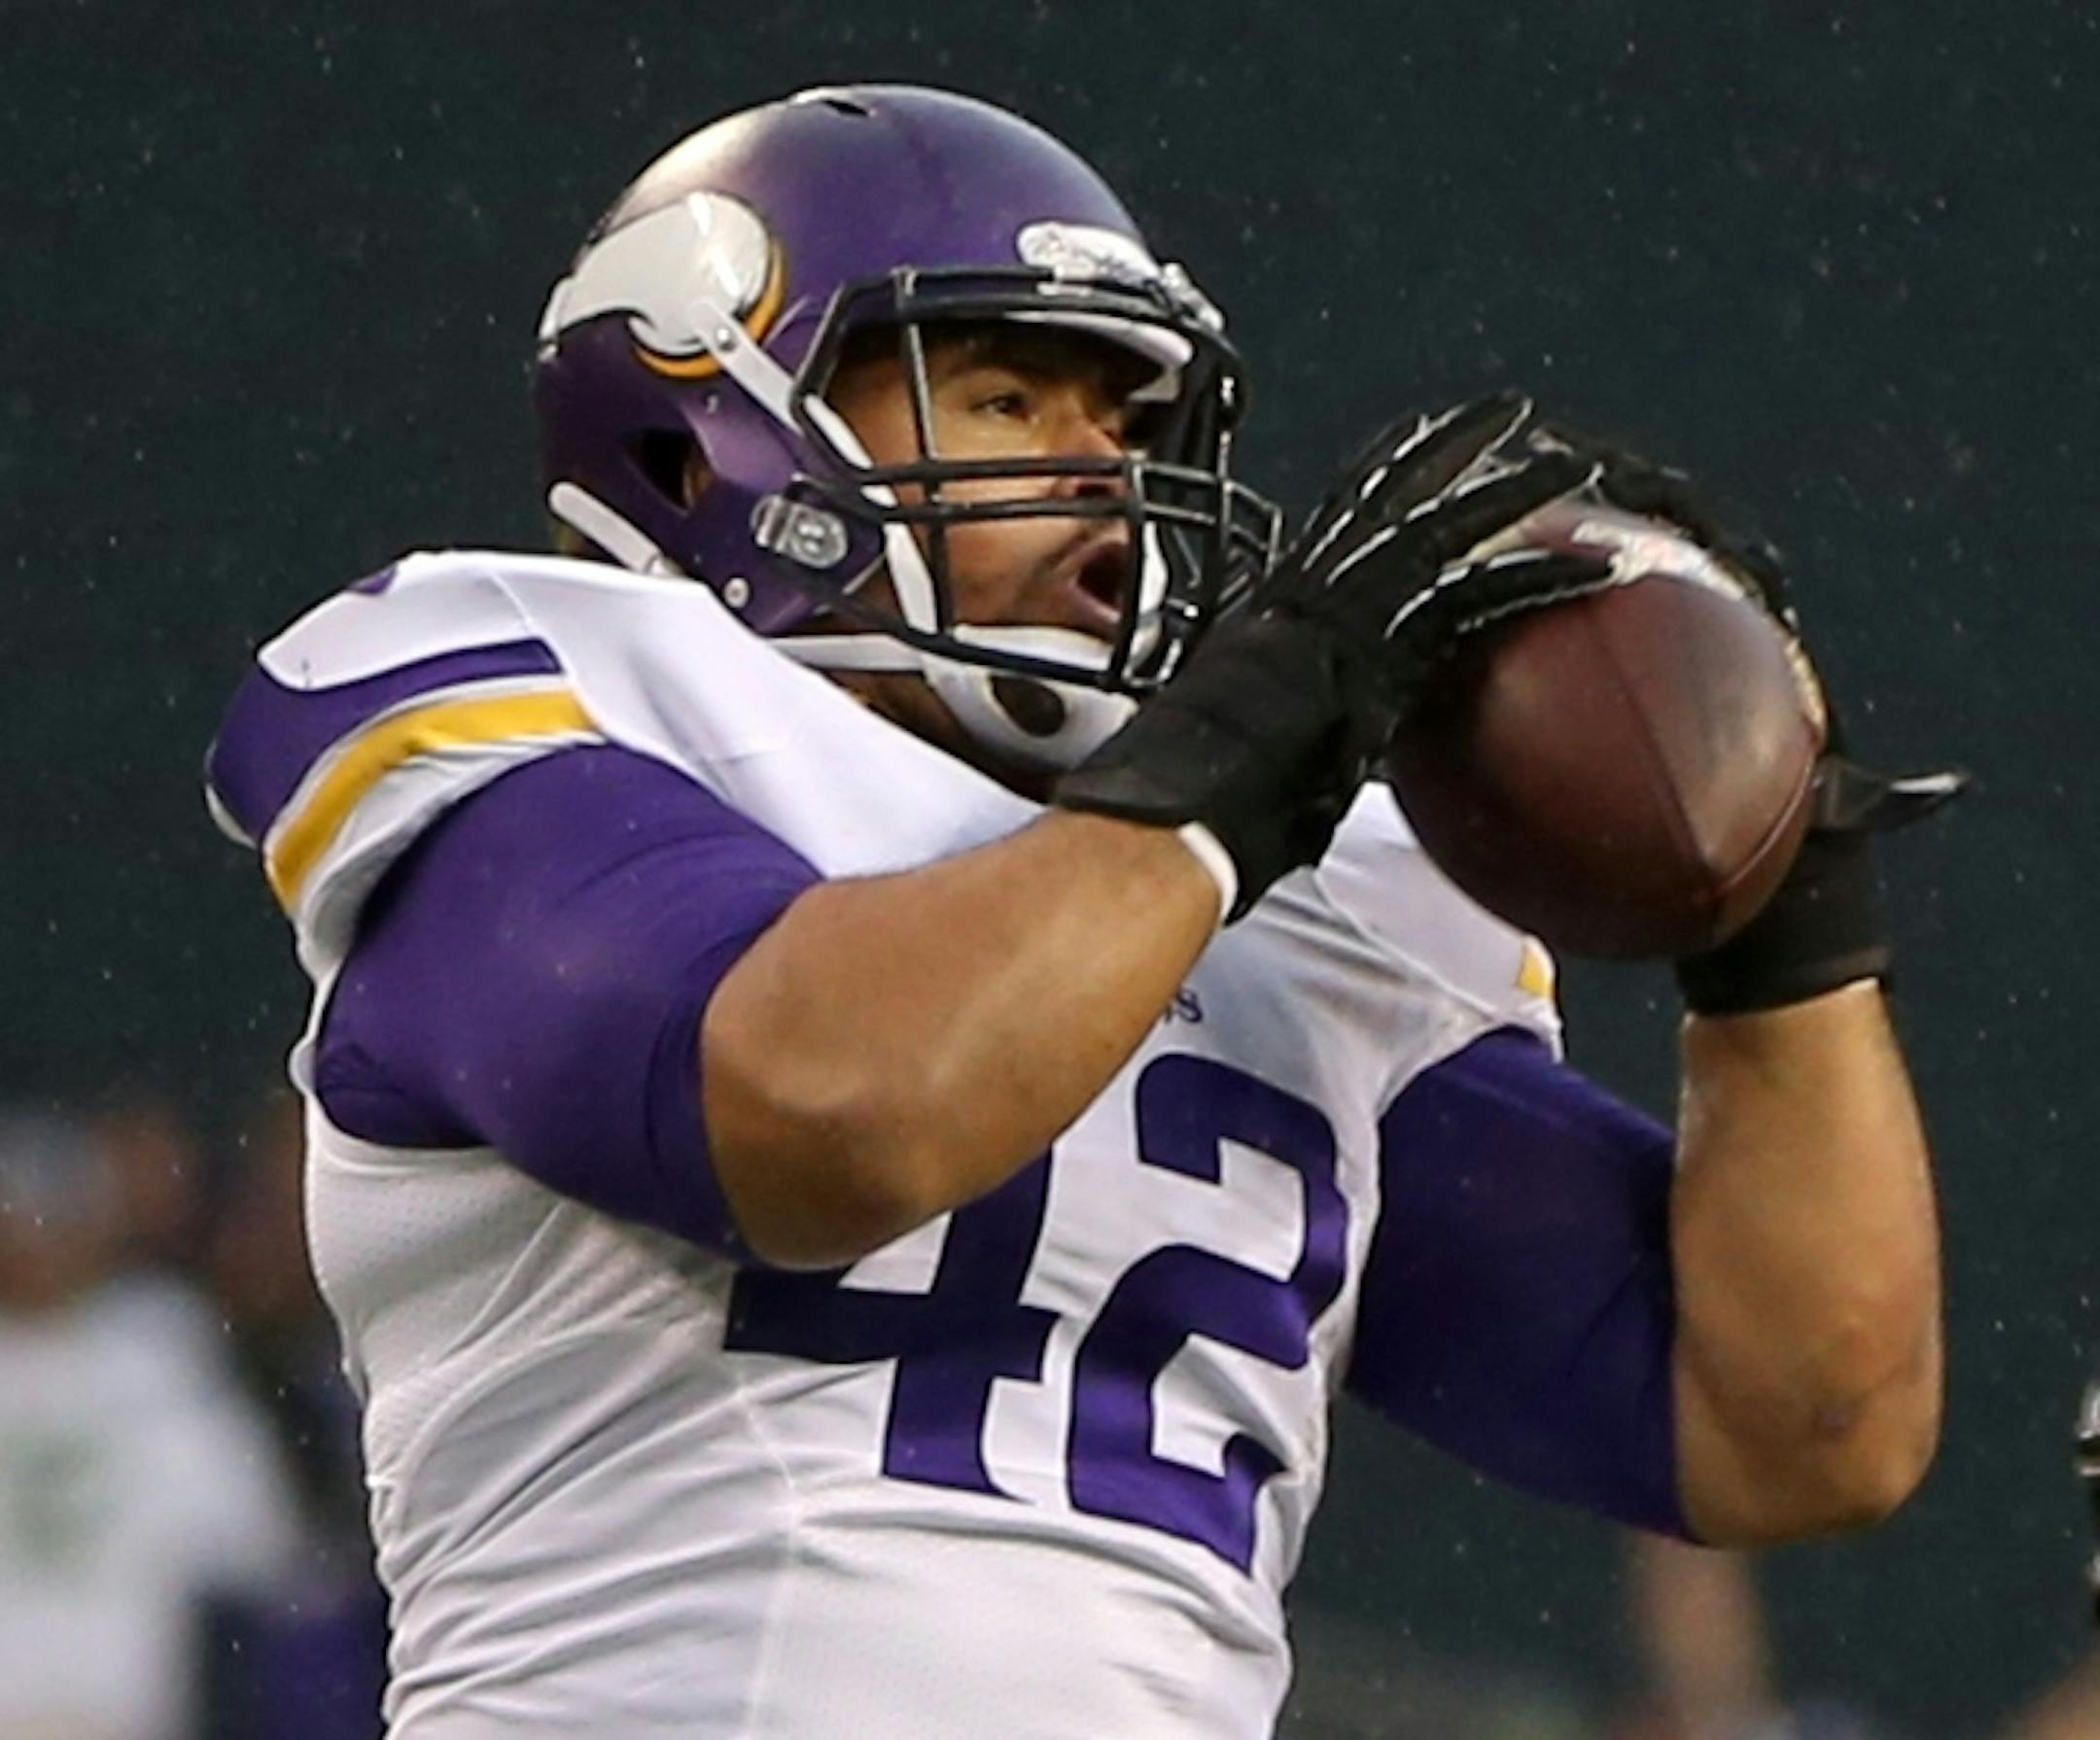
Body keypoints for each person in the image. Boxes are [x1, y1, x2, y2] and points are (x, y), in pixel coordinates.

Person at [204, 85, 1953, 1739]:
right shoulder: (560, 698)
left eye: (1123, 421)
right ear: (698, 439)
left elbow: (1796, 1425)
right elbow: (828, 1113)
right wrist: (1248, 752)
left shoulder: (1283, 891)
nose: (1100, 474)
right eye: (1004, 399)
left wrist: (1774, 884)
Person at [0, 1108, 300, 1740]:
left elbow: (251, 1533)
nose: (35, 1246)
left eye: (53, 1221)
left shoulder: (155, 1344)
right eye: (19, 1224)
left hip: (125, 1709)